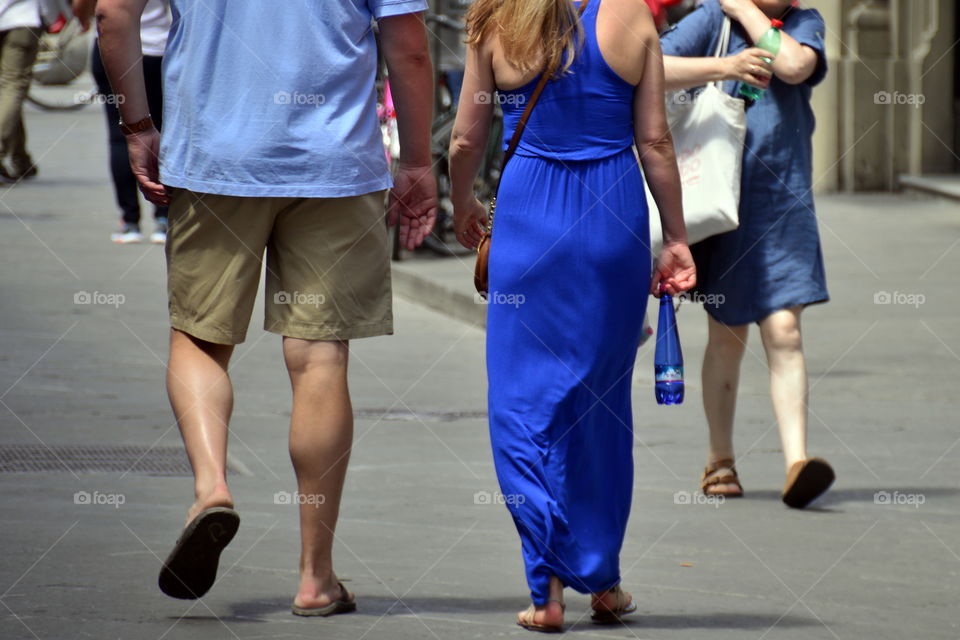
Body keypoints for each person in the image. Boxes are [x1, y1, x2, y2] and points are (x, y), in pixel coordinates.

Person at [96, 0, 437, 614]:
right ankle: (315, 578)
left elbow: (114, 15)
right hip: (335, 164)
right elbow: (408, 47)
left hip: (213, 157)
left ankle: (211, 488)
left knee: (200, 340)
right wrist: (416, 160)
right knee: (319, 358)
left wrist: (137, 126)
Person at [450, 0, 695, 631]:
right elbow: (656, 140)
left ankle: (547, 591)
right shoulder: (633, 18)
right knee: (599, 407)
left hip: (530, 224)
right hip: (613, 219)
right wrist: (676, 237)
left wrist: (462, 204)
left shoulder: (495, 20)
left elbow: (466, 137)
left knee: (523, 406)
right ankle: (603, 581)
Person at [660, 0, 835, 508]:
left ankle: (797, 462)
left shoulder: (804, 22)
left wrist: (750, 13)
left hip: (783, 203)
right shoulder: (712, 21)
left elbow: (795, 65)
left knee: (785, 330)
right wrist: (724, 65)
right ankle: (720, 458)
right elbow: (654, 67)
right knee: (728, 334)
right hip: (722, 203)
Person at [74, 0, 170, 244]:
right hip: (160, 49)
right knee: (165, 132)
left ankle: (130, 222)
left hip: (116, 48)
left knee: (122, 134)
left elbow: (88, 7)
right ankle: (164, 217)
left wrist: (83, 18)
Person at [0, 0, 66, 182]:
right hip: (22, 19)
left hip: (18, 20)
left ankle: (20, 157)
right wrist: (50, 17)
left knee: (9, 92)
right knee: (13, 87)